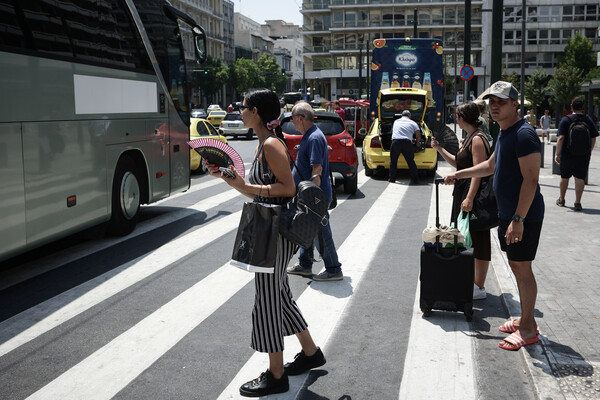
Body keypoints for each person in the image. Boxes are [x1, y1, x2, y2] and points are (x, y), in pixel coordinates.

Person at [206, 89, 326, 397]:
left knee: (268, 302)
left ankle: (276, 374)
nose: (240, 112)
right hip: (267, 230)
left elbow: (287, 189)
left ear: (256, 112)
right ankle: (311, 352)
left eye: (244, 108)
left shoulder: (271, 144)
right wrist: (228, 178)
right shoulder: (263, 144)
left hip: (276, 233)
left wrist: (246, 184)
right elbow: (256, 191)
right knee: (280, 296)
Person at [443, 81, 544, 351]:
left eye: (501, 101)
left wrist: (518, 220)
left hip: (523, 217)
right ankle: (525, 318)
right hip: (510, 215)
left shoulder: (523, 134)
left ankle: (528, 329)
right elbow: (489, 166)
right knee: (516, 267)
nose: (494, 106)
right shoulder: (505, 133)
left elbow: (531, 181)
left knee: (523, 270)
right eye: (491, 102)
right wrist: (458, 174)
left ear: (514, 104)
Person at [432, 102, 492, 300]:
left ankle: (479, 286)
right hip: (463, 193)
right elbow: (458, 163)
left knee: (479, 239)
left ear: (462, 118)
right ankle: (469, 279)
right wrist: (439, 148)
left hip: (472, 195)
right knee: (465, 237)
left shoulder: (477, 140)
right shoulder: (469, 138)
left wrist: (469, 197)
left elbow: (479, 172)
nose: (455, 119)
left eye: (457, 116)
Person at [286, 101, 343, 281]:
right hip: (309, 195)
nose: (292, 122)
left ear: (301, 118)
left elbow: (316, 170)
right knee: (308, 228)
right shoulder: (311, 135)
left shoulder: (314, 138)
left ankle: (333, 269)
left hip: (314, 196)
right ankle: (304, 264)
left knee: (321, 232)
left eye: (293, 118)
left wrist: (312, 198)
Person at [554, 97, 598, 211]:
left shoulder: (566, 120)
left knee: (564, 177)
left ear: (571, 106)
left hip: (567, 154)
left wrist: (557, 153)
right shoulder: (588, 120)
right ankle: (578, 202)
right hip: (583, 155)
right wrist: (589, 150)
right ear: (582, 108)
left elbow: (561, 138)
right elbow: (593, 138)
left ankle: (562, 199)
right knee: (580, 178)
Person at [389, 110, 421, 184]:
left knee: (393, 162)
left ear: (402, 115)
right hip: (407, 143)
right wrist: (417, 143)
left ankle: (392, 179)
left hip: (395, 142)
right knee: (410, 162)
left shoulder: (396, 121)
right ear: (409, 115)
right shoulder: (413, 123)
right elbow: (418, 134)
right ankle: (415, 180)